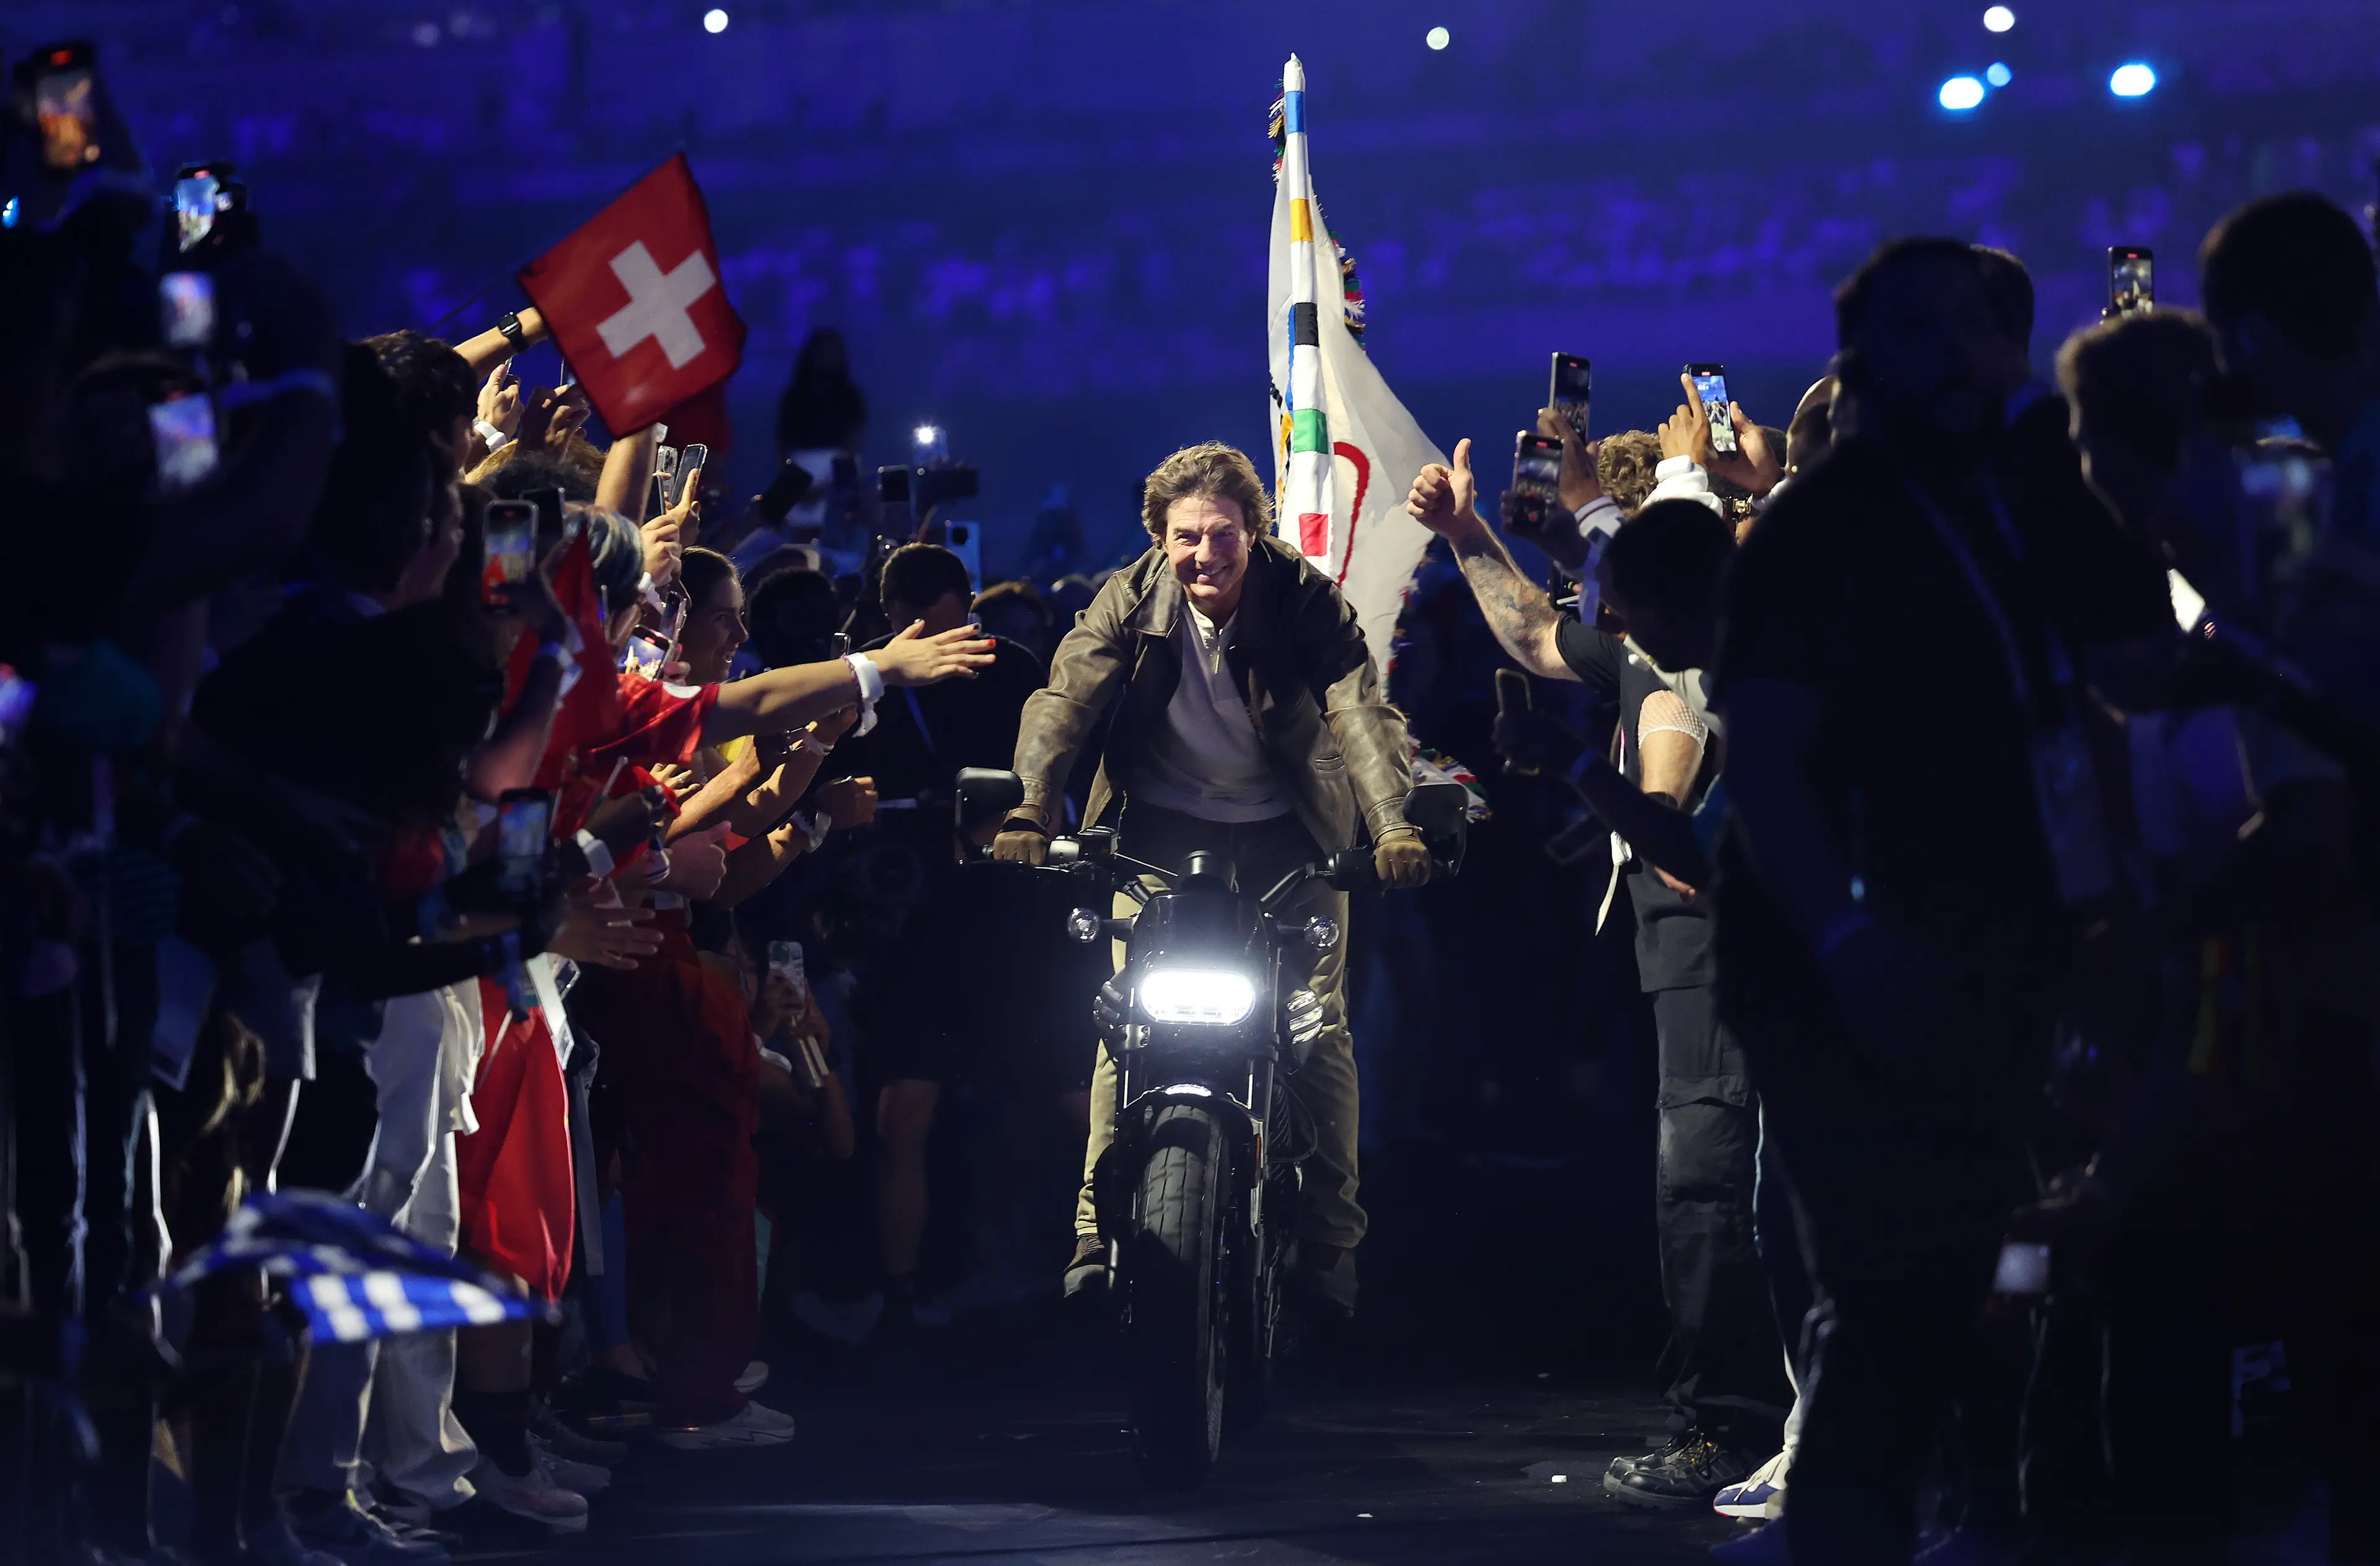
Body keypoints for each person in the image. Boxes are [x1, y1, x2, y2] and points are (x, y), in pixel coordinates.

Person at [1708, 237, 2162, 1565]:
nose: (1958, 353)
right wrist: (1844, 939)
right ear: (1865, 359)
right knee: (1894, 1295)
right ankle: (1858, 1527)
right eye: (1922, 329)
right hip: (1846, 969)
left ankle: (1992, 1519)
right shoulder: (1819, 528)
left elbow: (2129, 652)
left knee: (2008, 1278)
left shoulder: (2027, 501)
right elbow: (1770, 755)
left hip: (2007, 953)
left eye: (1977, 327)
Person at [1405, 446, 1787, 1506]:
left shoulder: (1703, 673)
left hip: (1723, 952)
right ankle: (1767, 1423)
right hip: (1700, 955)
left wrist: (1572, 767)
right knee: (1725, 1188)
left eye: (1618, 600)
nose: (1603, 619)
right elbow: (1533, 631)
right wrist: (1467, 532)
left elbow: (1682, 845)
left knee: (1711, 1188)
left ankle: (1734, 1427)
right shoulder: (1664, 648)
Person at [990, 441, 1430, 1315]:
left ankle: (1334, 1248)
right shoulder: (1128, 595)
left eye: (1222, 534)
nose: (1204, 553)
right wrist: (1031, 809)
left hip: (1290, 833)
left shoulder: (1304, 597)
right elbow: (1065, 698)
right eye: (1186, 536)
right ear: (1158, 538)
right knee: (1127, 1018)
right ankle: (1091, 1228)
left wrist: (1392, 826)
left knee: (1320, 1025)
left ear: (1252, 531)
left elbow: (1356, 708)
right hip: (1158, 831)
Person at [830, 542, 1070, 1333]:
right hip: (923, 925)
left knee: (1062, 1100)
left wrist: (1002, 818)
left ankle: (1102, 1268)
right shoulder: (877, 681)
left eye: (930, 620)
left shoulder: (1015, 670)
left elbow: (1056, 771)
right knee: (906, 1111)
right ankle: (899, 1298)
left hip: (1008, 923)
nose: (926, 636)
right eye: (908, 623)